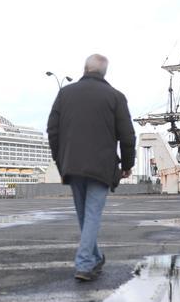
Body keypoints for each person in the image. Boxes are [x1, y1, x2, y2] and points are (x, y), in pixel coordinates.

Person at [47, 54, 136, 281]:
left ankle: (94, 258)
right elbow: (127, 135)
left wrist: (60, 161)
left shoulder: (65, 93)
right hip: (101, 166)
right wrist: (127, 164)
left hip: (72, 165)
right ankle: (85, 264)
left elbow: (52, 130)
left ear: (85, 69)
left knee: (85, 217)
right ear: (104, 73)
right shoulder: (115, 97)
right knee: (92, 215)